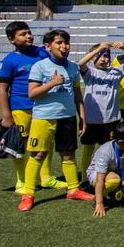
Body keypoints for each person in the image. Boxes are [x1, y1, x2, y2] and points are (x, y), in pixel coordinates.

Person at [18, 29, 96, 211]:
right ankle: (28, 194)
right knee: (38, 154)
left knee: (68, 155)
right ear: (48, 46)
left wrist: (82, 116)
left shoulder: (73, 67)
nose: (64, 46)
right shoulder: (40, 67)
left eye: (66, 43)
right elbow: (32, 94)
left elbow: (77, 94)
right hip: (43, 118)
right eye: (59, 43)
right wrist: (52, 83)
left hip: (67, 118)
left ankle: (73, 189)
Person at [0, 21, 65, 194]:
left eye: (29, 32)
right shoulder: (10, 61)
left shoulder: (42, 52)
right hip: (21, 107)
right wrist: (6, 115)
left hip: (44, 105)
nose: (28, 36)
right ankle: (22, 180)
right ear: (12, 39)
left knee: (45, 142)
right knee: (21, 145)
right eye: (22, 34)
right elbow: (3, 89)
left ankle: (46, 178)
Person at [78, 41, 124, 172]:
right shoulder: (90, 72)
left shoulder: (116, 71)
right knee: (88, 149)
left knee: (109, 150)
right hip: (91, 120)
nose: (103, 59)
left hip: (111, 120)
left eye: (106, 56)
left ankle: (107, 175)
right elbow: (81, 63)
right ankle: (85, 178)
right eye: (99, 56)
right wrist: (99, 49)